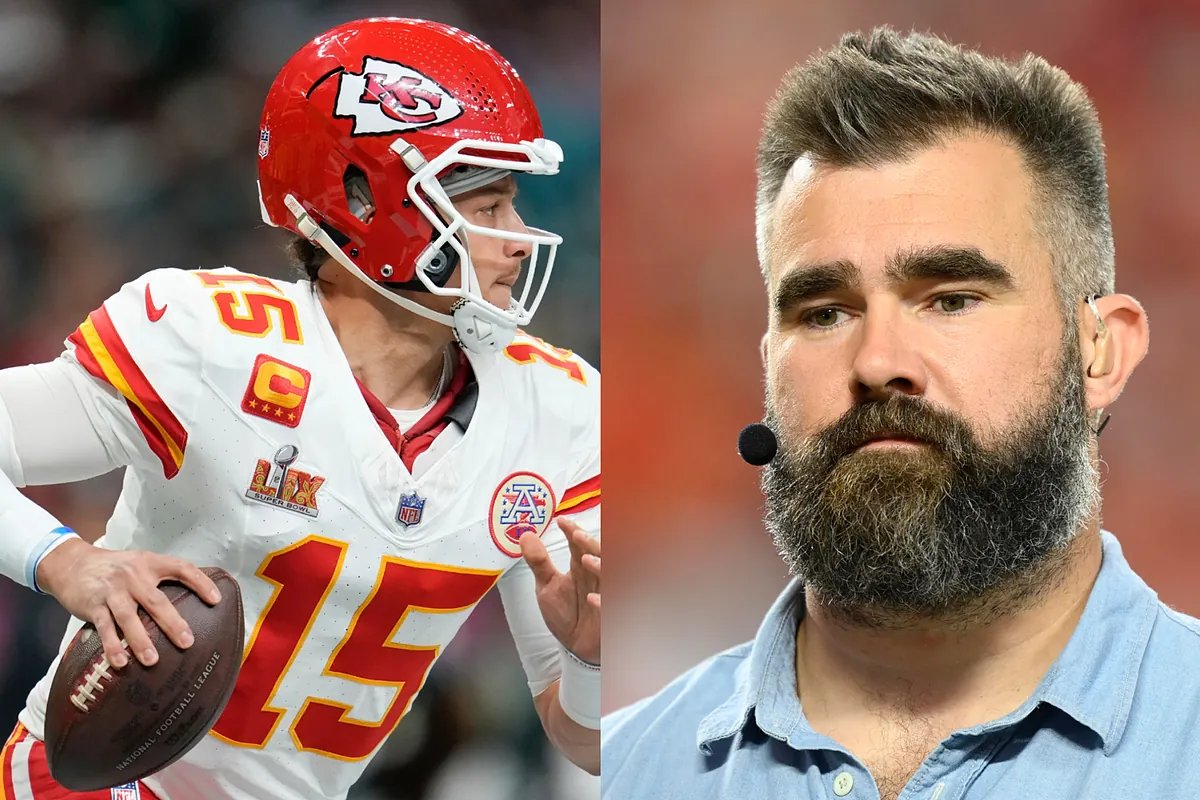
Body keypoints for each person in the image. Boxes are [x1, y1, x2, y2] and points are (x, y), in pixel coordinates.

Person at [0, 17, 600, 800]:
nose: (518, 239)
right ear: (361, 200)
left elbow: (580, 742)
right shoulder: (211, 339)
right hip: (97, 788)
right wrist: (65, 561)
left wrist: (589, 663)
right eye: (485, 207)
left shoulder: (558, 407)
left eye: (512, 204)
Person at [602, 26, 1200, 800]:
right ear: (767, 366)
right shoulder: (621, 772)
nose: (878, 361)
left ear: (1101, 353)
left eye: (951, 299)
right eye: (823, 312)